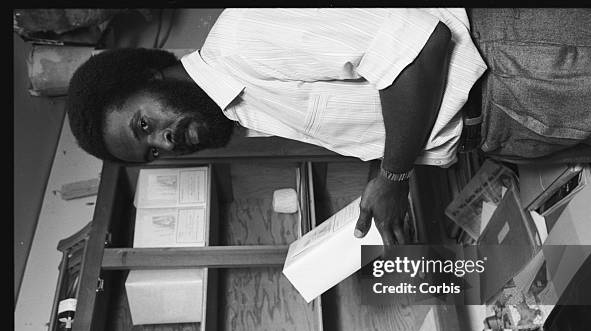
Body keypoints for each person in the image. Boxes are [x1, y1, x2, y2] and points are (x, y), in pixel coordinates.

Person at [67, 8, 487, 245]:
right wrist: (384, 174)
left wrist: (393, 177)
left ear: (150, 75)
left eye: (145, 124)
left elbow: (420, 47)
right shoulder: (243, 114)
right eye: (154, 151)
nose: (166, 140)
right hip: (491, 130)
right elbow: (379, 102)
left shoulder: (241, 39)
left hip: (508, 71)